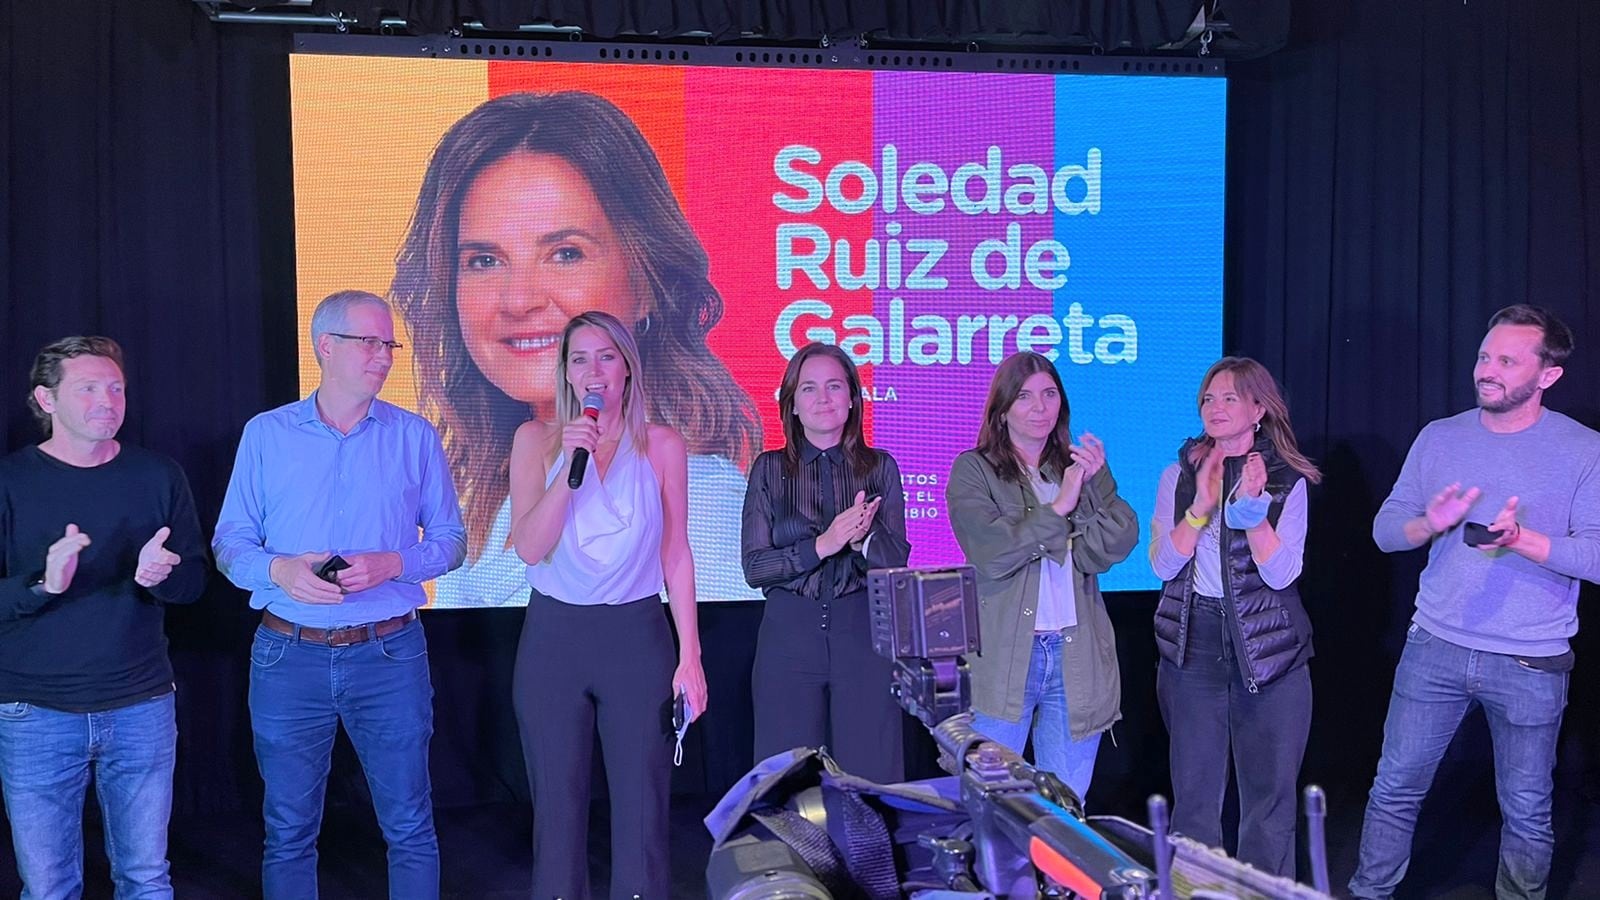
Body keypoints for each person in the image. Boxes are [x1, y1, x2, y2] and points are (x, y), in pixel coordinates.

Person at [391, 90, 761, 607]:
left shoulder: (699, 499)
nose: (518, 299)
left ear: (647, 280)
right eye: (484, 260)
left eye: (565, 254)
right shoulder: (483, 497)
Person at [213, 290, 467, 900]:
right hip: (287, 655)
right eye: (369, 342)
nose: (383, 356)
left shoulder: (414, 436)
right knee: (289, 829)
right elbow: (229, 542)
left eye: (389, 344)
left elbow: (453, 541)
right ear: (325, 347)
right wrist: (277, 571)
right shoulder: (267, 434)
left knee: (409, 823)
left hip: (389, 653)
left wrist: (395, 563)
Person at [1350, 304, 1600, 900]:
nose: (1488, 369)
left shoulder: (1584, 449)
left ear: (1547, 376)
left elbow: (1595, 556)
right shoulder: (1440, 437)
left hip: (1530, 660)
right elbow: (1385, 531)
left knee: (1526, 809)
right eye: (1485, 356)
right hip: (1433, 646)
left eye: (1508, 360)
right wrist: (1426, 525)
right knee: (1394, 789)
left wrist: (1523, 540)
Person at [509, 310, 709, 899]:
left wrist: (690, 657)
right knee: (558, 810)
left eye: (605, 357)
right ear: (565, 374)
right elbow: (530, 547)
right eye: (579, 359)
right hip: (554, 637)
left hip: (637, 635)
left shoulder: (663, 445)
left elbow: (676, 554)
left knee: (643, 808)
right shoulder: (535, 441)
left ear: (626, 368)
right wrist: (567, 472)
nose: (593, 371)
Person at [0, 336, 206, 899]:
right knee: (47, 887)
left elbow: (194, 585)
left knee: (146, 877)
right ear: (46, 399)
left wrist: (157, 578)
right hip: (35, 712)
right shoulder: (10, 483)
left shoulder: (158, 475)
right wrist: (43, 584)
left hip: (140, 706)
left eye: (115, 388)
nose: (107, 400)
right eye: (88, 387)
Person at [1148, 357, 1321, 877]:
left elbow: (1283, 574)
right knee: (1195, 800)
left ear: (1258, 409)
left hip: (1268, 651)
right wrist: (1201, 504)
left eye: (1229, 398)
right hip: (1192, 644)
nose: (1215, 408)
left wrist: (1253, 515)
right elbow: (1162, 563)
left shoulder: (1288, 480)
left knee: (1268, 805)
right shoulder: (1178, 474)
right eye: (1208, 398)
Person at [945, 351, 1139, 800]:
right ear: (1003, 409)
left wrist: (1090, 483)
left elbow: (1114, 542)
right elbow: (991, 552)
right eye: (1026, 396)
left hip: (1075, 654)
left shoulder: (1076, 468)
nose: (1040, 407)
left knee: (1065, 811)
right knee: (992, 805)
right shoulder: (974, 469)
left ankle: (1053, 876)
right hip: (1005, 659)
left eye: (1049, 394)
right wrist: (1060, 509)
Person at [741, 342, 911, 782]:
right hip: (788, 635)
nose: (823, 398)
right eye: (809, 388)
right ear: (792, 405)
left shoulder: (880, 467)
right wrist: (825, 543)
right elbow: (755, 568)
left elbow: (898, 565)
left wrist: (863, 542)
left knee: (872, 773)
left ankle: (869, 854)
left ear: (853, 398)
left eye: (835, 387)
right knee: (786, 779)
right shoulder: (768, 469)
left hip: (864, 633)